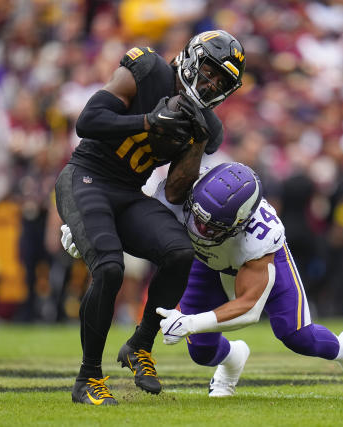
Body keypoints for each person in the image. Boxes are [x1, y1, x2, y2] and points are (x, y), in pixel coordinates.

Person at [62, 162, 343, 399]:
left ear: (239, 223)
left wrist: (192, 322)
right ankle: (234, 358)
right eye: (195, 217)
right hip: (204, 262)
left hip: (248, 264)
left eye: (210, 227)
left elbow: (249, 308)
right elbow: (134, 221)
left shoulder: (259, 239)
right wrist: (85, 231)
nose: (198, 228)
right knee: (202, 353)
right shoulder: (178, 194)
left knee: (296, 335)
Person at [54, 30, 245, 405]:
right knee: (109, 269)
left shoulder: (205, 122)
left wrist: (198, 142)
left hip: (128, 193)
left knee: (179, 252)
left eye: (220, 82)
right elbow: (87, 122)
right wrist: (146, 121)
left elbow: (174, 190)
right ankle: (87, 377)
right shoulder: (148, 70)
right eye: (208, 71)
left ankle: (140, 344)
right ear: (191, 59)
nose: (210, 84)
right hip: (86, 177)